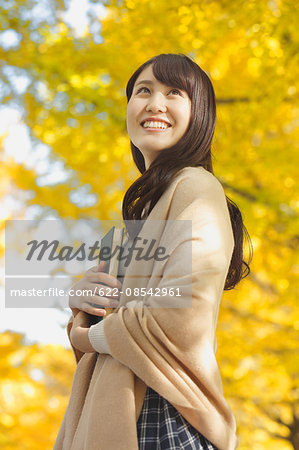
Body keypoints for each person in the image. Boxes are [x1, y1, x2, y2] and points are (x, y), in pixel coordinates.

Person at [54, 53, 251, 450]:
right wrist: (82, 305)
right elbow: (111, 338)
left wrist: (90, 334)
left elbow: (182, 313)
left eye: (173, 92)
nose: (154, 103)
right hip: (128, 412)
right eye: (143, 91)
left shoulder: (196, 186)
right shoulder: (139, 219)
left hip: (165, 421)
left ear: (199, 115)